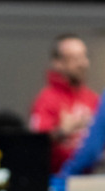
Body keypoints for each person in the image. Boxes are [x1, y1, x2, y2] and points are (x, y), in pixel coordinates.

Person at [30, 34, 99, 174]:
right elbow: (33, 144)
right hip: (55, 179)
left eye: (84, 57)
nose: (82, 64)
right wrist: (62, 131)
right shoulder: (46, 99)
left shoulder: (93, 99)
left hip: (88, 181)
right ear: (58, 63)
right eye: (75, 58)